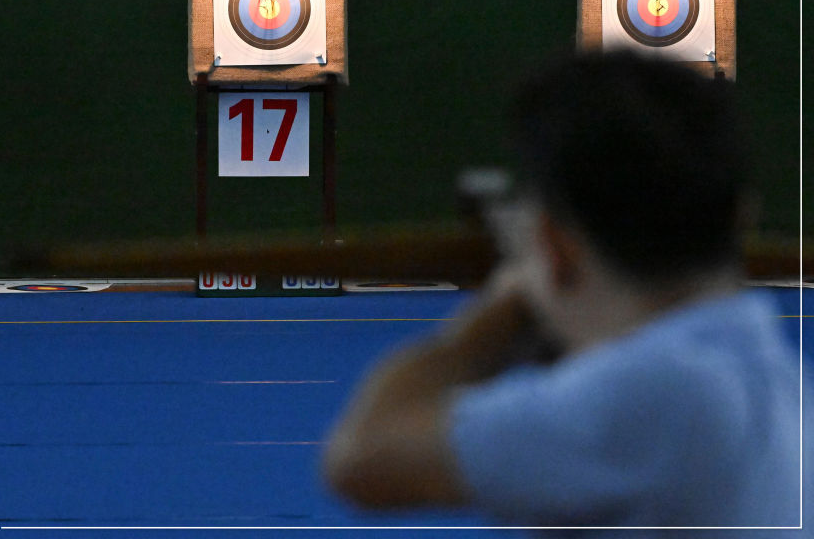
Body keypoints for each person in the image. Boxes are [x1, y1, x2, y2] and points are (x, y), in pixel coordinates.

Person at [322, 51, 810, 535]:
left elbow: (362, 456)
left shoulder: (661, 390)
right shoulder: (784, 382)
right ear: (741, 219)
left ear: (555, 246)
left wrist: (498, 316)